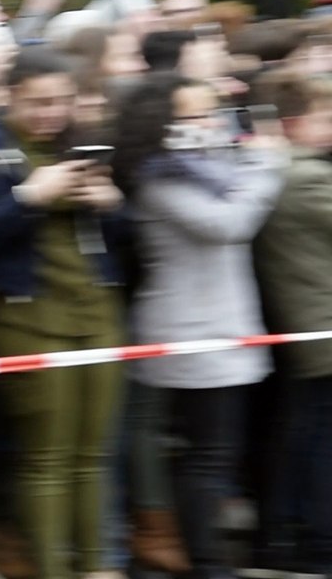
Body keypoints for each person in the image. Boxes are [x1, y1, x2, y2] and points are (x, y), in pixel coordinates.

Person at [0, 47, 126, 579]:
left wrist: (113, 204)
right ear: (10, 96)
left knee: (94, 454)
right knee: (47, 457)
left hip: (97, 309)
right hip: (24, 316)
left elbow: (132, 238)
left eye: (63, 101)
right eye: (39, 102)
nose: (52, 112)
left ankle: (98, 565)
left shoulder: (82, 142)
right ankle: (53, 568)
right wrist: (30, 195)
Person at [112, 72, 287, 579]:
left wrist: (248, 166)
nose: (210, 123)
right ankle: (206, 563)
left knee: (217, 452)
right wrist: (264, 165)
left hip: (224, 323)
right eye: (196, 115)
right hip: (191, 329)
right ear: (164, 122)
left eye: (212, 112)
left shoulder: (209, 167)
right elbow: (227, 225)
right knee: (206, 457)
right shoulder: (160, 176)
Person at [252, 72, 332, 576]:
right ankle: (316, 536)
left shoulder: (280, 169)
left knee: (301, 433)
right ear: (294, 123)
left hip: (302, 324)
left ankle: (282, 533)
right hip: (320, 327)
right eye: (325, 118)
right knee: (317, 441)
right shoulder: (305, 175)